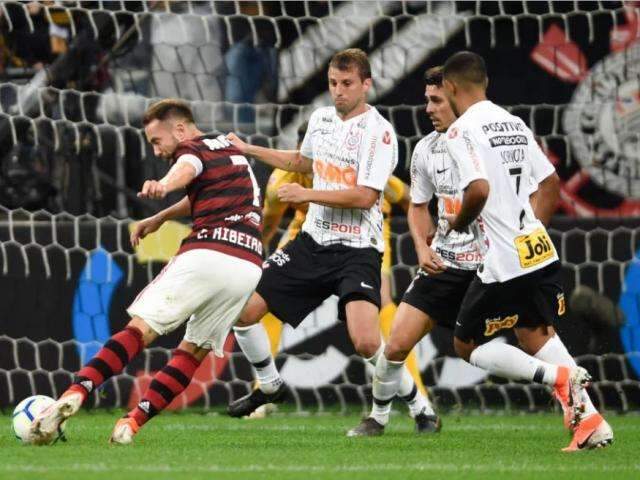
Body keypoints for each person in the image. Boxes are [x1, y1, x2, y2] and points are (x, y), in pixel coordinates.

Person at [29, 99, 263, 445]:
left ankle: (76, 391)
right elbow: (199, 189)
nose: (156, 150)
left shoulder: (191, 149)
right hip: (247, 264)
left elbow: (185, 167)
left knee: (140, 330)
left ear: (180, 128)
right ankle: (131, 424)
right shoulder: (230, 149)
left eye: (157, 141)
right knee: (192, 351)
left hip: (208, 252)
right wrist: (159, 217)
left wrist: (164, 184)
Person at [226, 48, 436, 430]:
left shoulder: (380, 133)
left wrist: (306, 195)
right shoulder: (320, 119)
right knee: (243, 313)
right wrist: (248, 149)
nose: (338, 92)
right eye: (333, 84)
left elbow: (365, 196)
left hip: (358, 249)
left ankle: (420, 406)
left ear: (366, 85)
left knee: (368, 343)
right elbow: (302, 162)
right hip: (312, 243)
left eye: (347, 84)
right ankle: (270, 386)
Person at [441, 51, 612, 451]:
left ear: (450, 86)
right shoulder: (513, 122)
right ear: (486, 83)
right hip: (537, 250)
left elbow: (478, 189)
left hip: (504, 262)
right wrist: (526, 231)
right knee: (535, 334)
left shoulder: (460, 132)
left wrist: (459, 221)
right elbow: (550, 183)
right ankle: (591, 422)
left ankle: (557, 379)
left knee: (466, 345)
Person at [252, 124, 427, 419]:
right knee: (262, 303)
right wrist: (256, 252)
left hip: (362, 237)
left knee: (381, 308)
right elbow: (269, 221)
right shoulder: (282, 179)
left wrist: (426, 232)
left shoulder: (360, 167)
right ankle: (264, 390)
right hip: (306, 236)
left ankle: (417, 394)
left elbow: (407, 197)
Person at [348, 66, 481, 436]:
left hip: (490, 265)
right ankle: (380, 417)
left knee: (521, 345)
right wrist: (422, 247)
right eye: (426, 100)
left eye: (436, 100)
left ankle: (570, 393)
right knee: (393, 344)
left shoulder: (484, 140)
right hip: (442, 263)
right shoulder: (425, 149)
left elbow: (395, 195)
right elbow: (417, 203)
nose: (428, 108)